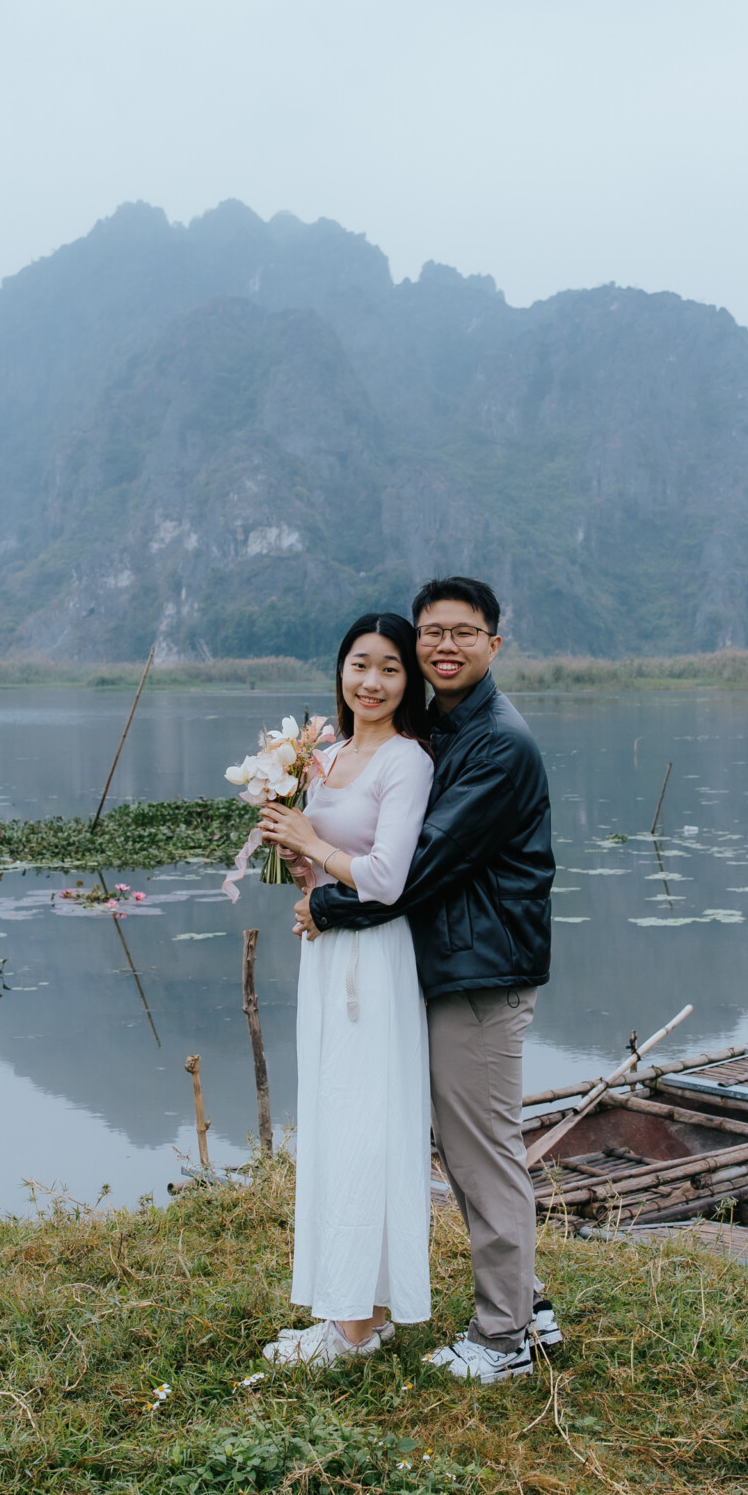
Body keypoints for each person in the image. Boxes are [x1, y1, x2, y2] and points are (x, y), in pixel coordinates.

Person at [291, 577, 556, 1385]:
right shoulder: (443, 727)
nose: (445, 645)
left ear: (494, 643)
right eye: (432, 632)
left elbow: (416, 869)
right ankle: (526, 1307)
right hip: (447, 963)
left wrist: (327, 906)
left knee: (480, 1152)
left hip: (484, 969)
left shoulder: (498, 743)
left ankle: (504, 1337)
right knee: (466, 1142)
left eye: (463, 633)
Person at [252, 612, 438, 1368]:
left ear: (408, 681)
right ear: (340, 670)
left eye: (390, 668)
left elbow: (389, 876)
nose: (372, 681)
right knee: (336, 1118)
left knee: (367, 1125)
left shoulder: (406, 761)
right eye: (360, 664)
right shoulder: (323, 756)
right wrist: (296, 865)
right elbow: (326, 860)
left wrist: (310, 844)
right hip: (326, 953)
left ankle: (352, 1327)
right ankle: (362, 1307)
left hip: (375, 957)